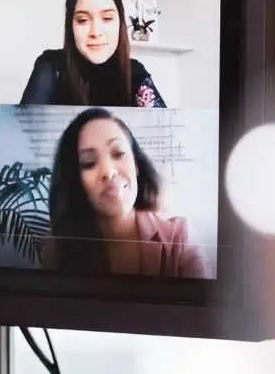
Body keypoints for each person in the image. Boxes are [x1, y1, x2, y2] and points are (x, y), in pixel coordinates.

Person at [39, 108, 206, 278]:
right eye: (89, 163)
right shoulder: (58, 250)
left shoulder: (180, 238)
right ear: (75, 181)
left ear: (136, 165)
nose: (108, 171)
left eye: (118, 153)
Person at [19, 0, 167, 107]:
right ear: (70, 25)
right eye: (83, 20)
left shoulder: (135, 73)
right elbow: (22, 131)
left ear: (120, 22)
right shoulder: (51, 67)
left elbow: (166, 131)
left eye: (107, 18)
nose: (96, 32)